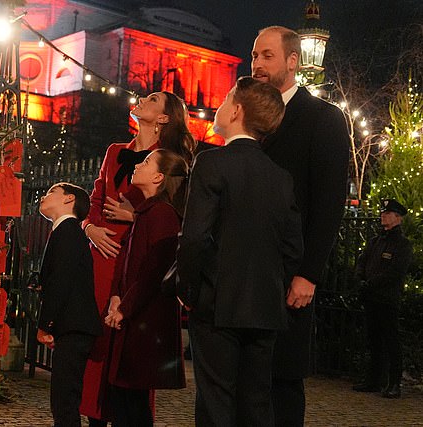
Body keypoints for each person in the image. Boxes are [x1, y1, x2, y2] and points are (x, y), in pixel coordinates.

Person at [176, 76, 304, 427]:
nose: (218, 107)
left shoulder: (213, 163)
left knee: (216, 402)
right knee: (257, 403)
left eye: (224, 99)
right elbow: (293, 248)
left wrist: (187, 290)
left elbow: (194, 237)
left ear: (236, 111)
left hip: (218, 303)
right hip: (264, 307)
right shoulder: (281, 177)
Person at [251, 26, 350, 426]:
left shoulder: (323, 119)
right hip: (246, 274)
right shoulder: (246, 116)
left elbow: (329, 204)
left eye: (267, 56)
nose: (257, 64)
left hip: (290, 276)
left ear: (293, 61)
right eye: (254, 55)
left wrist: (308, 273)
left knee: (283, 382)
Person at [81, 91, 196, 426]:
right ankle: (95, 416)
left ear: (164, 118)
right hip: (102, 255)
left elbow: (175, 217)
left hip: (136, 256)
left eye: (153, 99)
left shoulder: (168, 161)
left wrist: (137, 219)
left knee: (131, 350)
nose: (142, 99)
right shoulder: (116, 151)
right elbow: (96, 196)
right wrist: (89, 227)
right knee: (100, 342)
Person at [105, 148, 188, 426]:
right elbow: (129, 260)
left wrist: (126, 307)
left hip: (145, 319)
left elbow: (154, 270)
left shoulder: (162, 214)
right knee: (124, 397)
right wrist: (117, 297)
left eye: (147, 162)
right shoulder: (147, 212)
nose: (138, 164)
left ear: (159, 177)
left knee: (133, 401)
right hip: (133, 315)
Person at [37, 182, 103, 427]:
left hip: (75, 326)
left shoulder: (68, 232)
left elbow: (60, 283)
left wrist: (45, 324)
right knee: (63, 398)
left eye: (51, 191)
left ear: (69, 199)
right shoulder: (65, 231)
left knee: (65, 400)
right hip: (73, 326)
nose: (44, 195)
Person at [353, 199, 413, 398]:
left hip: (387, 299)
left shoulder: (403, 245)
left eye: (387, 213)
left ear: (397, 218)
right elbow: (362, 261)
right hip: (371, 298)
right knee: (374, 340)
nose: (383, 216)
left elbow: (395, 272)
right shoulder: (375, 241)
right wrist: (360, 278)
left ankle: (394, 383)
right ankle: (374, 380)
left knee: (391, 341)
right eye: (383, 213)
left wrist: (371, 283)